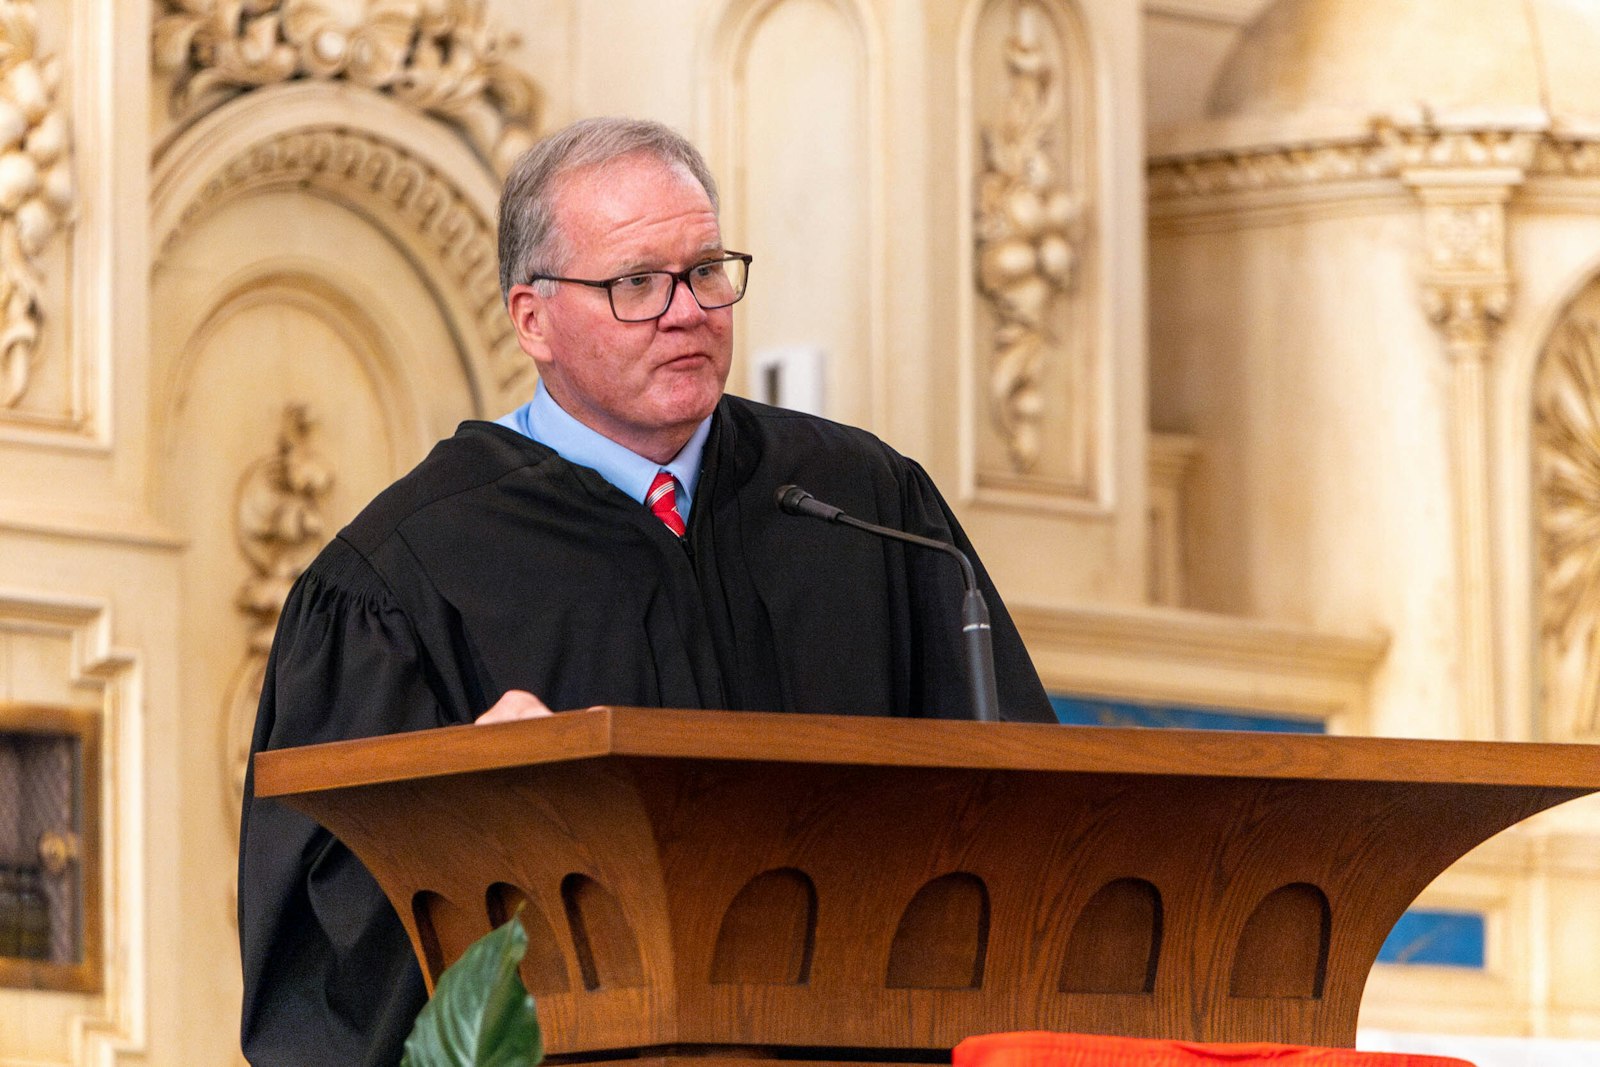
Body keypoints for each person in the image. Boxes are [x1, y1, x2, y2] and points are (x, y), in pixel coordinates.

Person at [237, 116, 1055, 1066]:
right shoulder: (403, 579)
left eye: (706, 269)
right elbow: (326, 969)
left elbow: (1022, 830)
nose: (687, 310)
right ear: (531, 317)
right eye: (637, 283)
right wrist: (460, 824)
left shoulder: (865, 505)